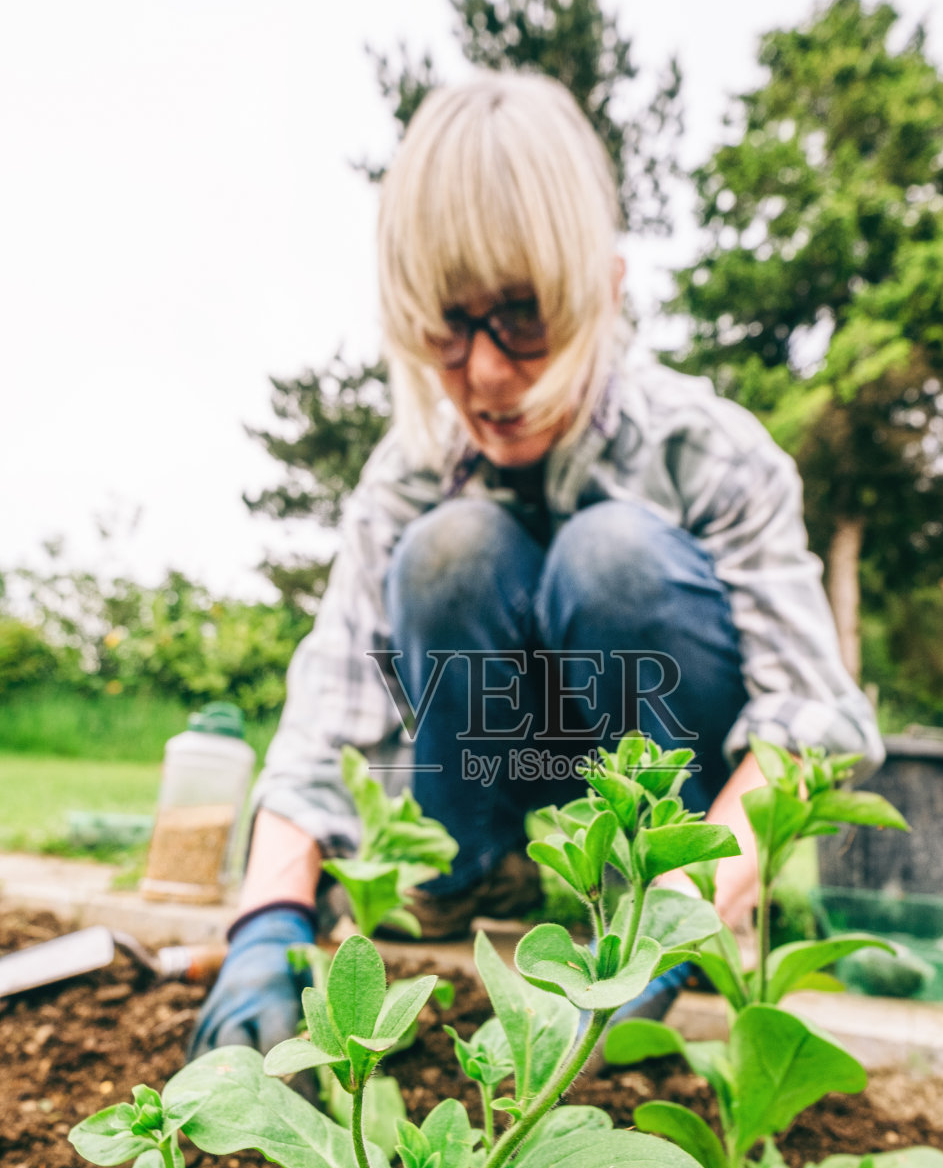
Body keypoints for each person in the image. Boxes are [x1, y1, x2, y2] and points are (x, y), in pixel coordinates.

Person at [189, 71, 882, 1059]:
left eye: (520, 316)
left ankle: (655, 890)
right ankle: (474, 874)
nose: (482, 372)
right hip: (493, 769)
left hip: (669, 820)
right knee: (450, 547)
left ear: (602, 286)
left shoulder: (707, 454)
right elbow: (327, 712)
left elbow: (810, 726)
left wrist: (673, 915)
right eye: (447, 326)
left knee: (614, 553)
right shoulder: (406, 476)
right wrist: (266, 921)